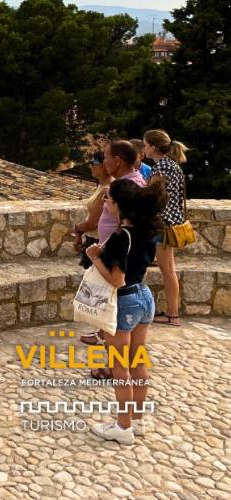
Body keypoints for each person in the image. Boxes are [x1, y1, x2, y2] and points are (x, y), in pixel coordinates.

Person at [86, 177, 166, 445]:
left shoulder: (122, 236)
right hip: (144, 296)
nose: (105, 202)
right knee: (138, 362)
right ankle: (138, 419)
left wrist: (95, 257)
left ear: (118, 204)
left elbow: (116, 279)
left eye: (108, 198)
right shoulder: (146, 230)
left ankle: (122, 427)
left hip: (124, 301)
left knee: (120, 368)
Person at [79, 140, 146, 350]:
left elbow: (127, 223)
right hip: (119, 253)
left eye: (106, 157)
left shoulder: (125, 187)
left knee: (115, 309)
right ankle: (104, 339)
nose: (104, 161)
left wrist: (96, 256)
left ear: (117, 161)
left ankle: (113, 365)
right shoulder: (131, 181)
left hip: (117, 254)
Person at [143, 129, 189, 327]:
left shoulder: (161, 168)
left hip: (162, 225)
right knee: (167, 269)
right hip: (170, 223)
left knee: (168, 270)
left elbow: (151, 197)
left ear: (153, 147)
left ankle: (172, 315)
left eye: (145, 145)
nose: (143, 148)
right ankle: (171, 313)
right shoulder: (172, 165)